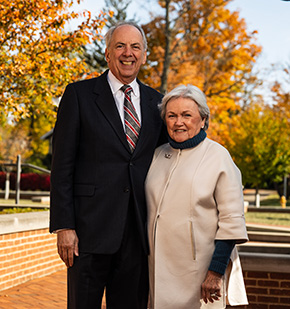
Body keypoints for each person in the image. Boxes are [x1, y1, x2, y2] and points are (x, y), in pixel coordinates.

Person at [49, 21, 166, 309]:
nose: (128, 53)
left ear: (145, 55)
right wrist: (64, 225)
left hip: (138, 233)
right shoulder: (79, 95)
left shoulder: (158, 103)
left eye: (136, 47)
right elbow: (62, 166)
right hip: (88, 233)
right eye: (120, 46)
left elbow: (168, 161)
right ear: (107, 53)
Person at [145, 84, 249, 308]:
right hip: (157, 269)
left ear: (202, 119)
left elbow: (231, 221)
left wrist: (215, 272)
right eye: (171, 115)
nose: (178, 122)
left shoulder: (219, 157)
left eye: (186, 115)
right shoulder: (157, 155)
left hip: (199, 273)